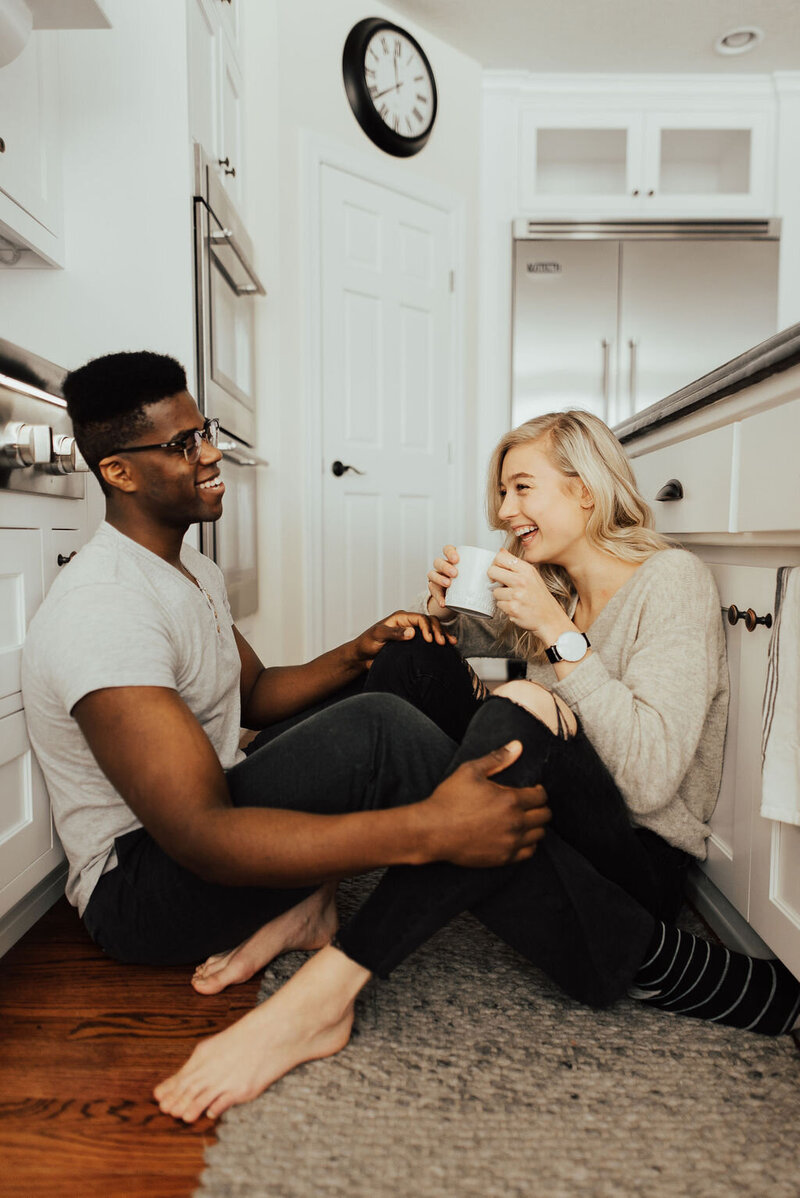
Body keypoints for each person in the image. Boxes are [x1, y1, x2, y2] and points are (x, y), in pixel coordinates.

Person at [153, 409, 800, 1124]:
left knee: (515, 710)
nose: (503, 511)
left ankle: (326, 995)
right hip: (553, 823)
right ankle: (316, 892)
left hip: (633, 865)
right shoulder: (553, 589)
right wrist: (437, 609)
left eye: (522, 488)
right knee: (410, 654)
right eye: (499, 493)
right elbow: (441, 652)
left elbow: (650, 778)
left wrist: (557, 645)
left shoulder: (670, 582)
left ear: (586, 490)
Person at [21, 350, 552, 992]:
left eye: (205, 431)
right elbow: (202, 836)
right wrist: (429, 830)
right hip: (141, 890)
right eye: (183, 445)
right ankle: (614, 939)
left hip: (205, 822)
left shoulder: (189, 570)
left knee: (405, 658)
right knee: (380, 732)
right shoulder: (103, 608)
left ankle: (508, 821)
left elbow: (253, 696)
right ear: (119, 472)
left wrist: (362, 649)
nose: (211, 454)